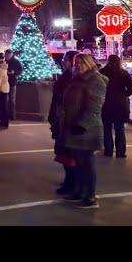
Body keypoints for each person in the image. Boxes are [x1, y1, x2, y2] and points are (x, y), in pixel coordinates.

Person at [61, 53, 108, 209]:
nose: (79, 66)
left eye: (82, 63)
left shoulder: (95, 80)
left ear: (89, 63)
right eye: (77, 63)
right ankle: (79, 191)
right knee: (78, 164)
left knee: (86, 164)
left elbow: (94, 107)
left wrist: (82, 124)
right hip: (73, 127)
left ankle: (90, 197)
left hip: (87, 129)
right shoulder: (77, 79)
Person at [48, 50, 78, 195]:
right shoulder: (66, 76)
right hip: (61, 118)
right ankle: (69, 181)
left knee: (69, 154)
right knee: (65, 154)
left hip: (67, 119)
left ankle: (72, 183)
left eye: (66, 58)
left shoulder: (72, 78)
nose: (63, 61)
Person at [99, 55, 132, 158]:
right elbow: (131, 87)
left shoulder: (102, 72)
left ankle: (108, 151)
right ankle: (120, 152)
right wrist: (124, 95)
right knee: (119, 128)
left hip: (106, 104)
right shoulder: (123, 73)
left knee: (107, 128)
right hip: (120, 104)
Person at [4, 49, 23, 120]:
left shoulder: (16, 61)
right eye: (6, 55)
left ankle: (13, 116)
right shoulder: (3, 61)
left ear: (11, 54)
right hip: (4, 83)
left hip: (12, 82)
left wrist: (14, 72)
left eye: (8, 55)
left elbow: (20, 70)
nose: (7, 56)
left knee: (12, 100)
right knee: (5, 100)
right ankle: (6, 115)